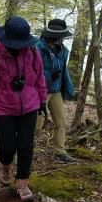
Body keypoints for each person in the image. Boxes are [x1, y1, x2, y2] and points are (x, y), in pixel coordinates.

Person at [0, 16, 47, 202]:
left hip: (29, 105)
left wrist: (42, 101)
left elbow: (40, 78)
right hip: (3, 107)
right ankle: (5, 165)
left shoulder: (32, 52)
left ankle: (22, 183)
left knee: (26, 146)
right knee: (8, 147)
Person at [36, 18, 77, 163]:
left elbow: (63, 71)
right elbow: (34, 71)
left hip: (56, 91)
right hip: (40, 92)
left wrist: (69, 88)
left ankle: (60, 152)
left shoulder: (63, 51)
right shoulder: (38, 48)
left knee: (61, 122)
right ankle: (21, 149)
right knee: (37, 126)